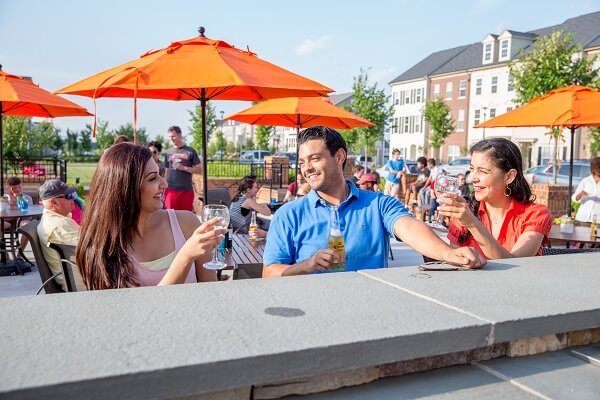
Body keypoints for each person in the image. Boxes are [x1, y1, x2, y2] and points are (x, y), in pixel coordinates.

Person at [262, 126, 486, 277]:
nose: (306, 168)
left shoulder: (377, 204)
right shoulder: (288, 214)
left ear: (339, 157)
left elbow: (409, 227)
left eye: (315, 158)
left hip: (370, 310)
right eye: (302, 162)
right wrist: (306, 265)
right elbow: (269, 272)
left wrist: (448, 253)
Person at [76, 143, 225, 290]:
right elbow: (139, 310)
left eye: (160, 174)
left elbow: (210, 290)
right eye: (153, 178)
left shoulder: (187, 223)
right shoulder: (102, 243)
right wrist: (185, 257)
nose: (164, 184)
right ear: (126, 188)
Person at [438, 138, 552, 259]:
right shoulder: (465, 211)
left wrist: (472, 224)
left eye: (482, 171)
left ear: (509, 176)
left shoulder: (535, 215)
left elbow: (516, 265)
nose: (472, 178)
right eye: (472, 169)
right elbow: (458, 265)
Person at [36, 179, 85, 291]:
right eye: (68, 196)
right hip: (82, 283)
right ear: (54, 202)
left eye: (73, 194)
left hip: (79, 277)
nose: (73, 198)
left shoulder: (54, 220)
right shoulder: (59, 225)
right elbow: (95, 248)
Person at [163, 126, 202, 211]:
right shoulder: (168, 152)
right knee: (170, 216)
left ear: (180, 135)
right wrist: (164, 186)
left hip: (186, 190)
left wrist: (183, 167)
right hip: (170, 190)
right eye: (169, 137)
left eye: (173, 136)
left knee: (185, 217)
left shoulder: (190, 151)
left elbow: (199, 170)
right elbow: (166, 170)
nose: (171, 139)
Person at [5, 176, 34, 259]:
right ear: (9, 188)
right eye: (14, 188)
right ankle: (5, 255)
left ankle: (20, 254)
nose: (17, 189)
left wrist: (19, 200)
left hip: (20, 220)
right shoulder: (4, 198)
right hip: (6, 221)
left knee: (28, 226)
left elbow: (29, 216)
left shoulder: (27, 198)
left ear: (22, 186)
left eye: (19, 187)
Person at [572, 156, 600, 223]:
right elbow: (574, 198)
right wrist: (581, 194)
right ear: (593, 169)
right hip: (582, 218)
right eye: (597, 169)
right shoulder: (586, 181)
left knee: (596, 233)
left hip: (598, 220)